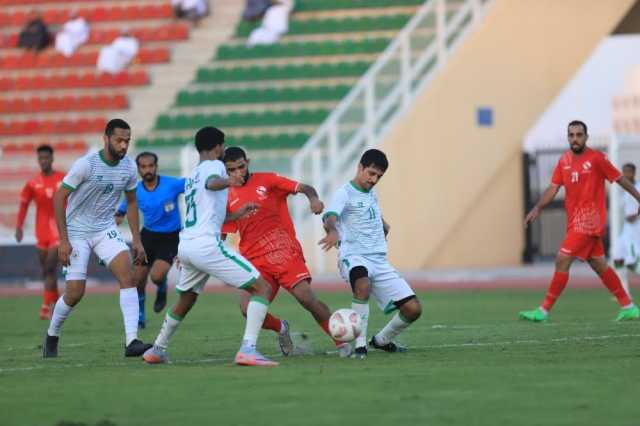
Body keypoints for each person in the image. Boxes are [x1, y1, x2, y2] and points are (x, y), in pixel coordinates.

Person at [142, 127, 278, 367]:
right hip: (206, 246)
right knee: (262, 287)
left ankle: (157, 349)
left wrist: (237, 213)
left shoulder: (193, 173)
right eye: (223, 146)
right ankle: (248, 350)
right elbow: (213, 183)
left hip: (187, 245)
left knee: (186, 299)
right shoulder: (215, 166)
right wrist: (229, 180)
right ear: (217, 146)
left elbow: (208, 209)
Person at [221, 147, 349, 357]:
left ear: (248, 162)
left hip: (284, 251)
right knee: (246, 308)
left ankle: (342, 344)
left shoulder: (268, 180)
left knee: (307, 298)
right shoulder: (225, 196)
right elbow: (223, 233)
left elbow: (304, 187)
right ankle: (282, 328)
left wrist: (314, 199)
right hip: (253, 259)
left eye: (241, 167)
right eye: (231, 170)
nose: (237, 173)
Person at [43, 119, 151, 358]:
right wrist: (63, 239)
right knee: (74, 293)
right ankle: (52, 334)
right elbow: (59, 198)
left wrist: (136, 239)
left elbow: (132, 202)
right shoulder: (86, 165)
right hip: (77, 232)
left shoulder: (129, 168)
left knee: (129, 276)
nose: (124, 146)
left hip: (104, 229)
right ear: (106, 139)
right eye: (119, 140)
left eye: (127, 141)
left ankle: (131, 341)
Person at [520, 120, 640, 322]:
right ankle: (628, 307)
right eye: (571, 135)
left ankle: (543, 310)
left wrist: (638, 197)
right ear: (568, 137)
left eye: (579, 135)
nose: (575, 139)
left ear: (586, 137)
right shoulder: (564, 160)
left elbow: (619, 178)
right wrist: (538, 207)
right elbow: (553, 188)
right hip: (574, 222)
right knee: (599, 265)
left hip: (589, 222)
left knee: (562, 259)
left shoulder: (597, 159)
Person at [319, 149, 423, 359]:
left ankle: (381, 340)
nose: (374, 180)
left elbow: (368, 212)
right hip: (353, 256)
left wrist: (383, 225)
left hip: (379, 260)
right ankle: (359, 347)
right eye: (371, 174)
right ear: (360, 167)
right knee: (362, 285)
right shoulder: (344, 193)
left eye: (379, 176)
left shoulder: (371, 193)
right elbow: (330, 216)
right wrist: (332, 230)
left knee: (413, 309)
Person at [115, 152, 185, 328]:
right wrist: (113, 224)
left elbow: (196, 186)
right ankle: (140, 316)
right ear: (139, 169)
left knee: (156, 275)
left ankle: (161, 288)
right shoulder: (135, 190)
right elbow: (121, 212)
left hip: (171, 237)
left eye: (151, 166)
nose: (147, 170)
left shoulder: (172, 184)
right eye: (143, 167)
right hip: (147, 236)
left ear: (156, 166)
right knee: (137, 280)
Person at [15, 145, 65, 320]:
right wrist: (19, 226)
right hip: (41, 232)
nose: (43, 161)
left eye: (46, 157)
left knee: (50, 267)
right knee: (47, 271)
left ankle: (45, 306)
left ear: (52, 159)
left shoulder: (63, 179)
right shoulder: (32, 183)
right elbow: (23, 205)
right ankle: (57, 303)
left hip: (59, 231)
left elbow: (74, 199)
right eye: (41, 158)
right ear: (38, 160)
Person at [612, 163, 640, 294]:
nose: (625, 175)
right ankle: (624, 291)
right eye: (624, 172)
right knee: (617, 258)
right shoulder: (623, 191)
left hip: (636, 229)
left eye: (628, 172)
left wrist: (636, 215)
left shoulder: (638, 187)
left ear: (633, 173)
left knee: (631, 262)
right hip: (626, 229)